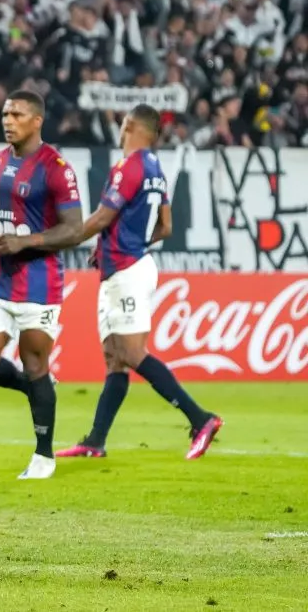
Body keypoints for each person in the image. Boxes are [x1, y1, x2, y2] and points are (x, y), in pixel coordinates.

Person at [57, 104, 223, 461]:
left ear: (131, 126)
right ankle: (95, 441)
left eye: (122, 124)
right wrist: (120, 244)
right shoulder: (155, 170)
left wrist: (59, 240)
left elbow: (103, 216)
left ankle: (201, 419)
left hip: (126, 271)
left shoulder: (128, 166)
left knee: (132, 353)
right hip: (131, 265)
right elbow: (165, 227)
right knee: (115, 359)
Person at [0, 90, 83, 480]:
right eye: (6, 113)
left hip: (40, 285)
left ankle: (44, 455)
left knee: (34, 363)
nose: (7, 120)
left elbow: (74, 230)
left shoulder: (56, 167)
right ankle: (36, 390)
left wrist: (26, 242)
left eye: (17, 114)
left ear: (37, 120)